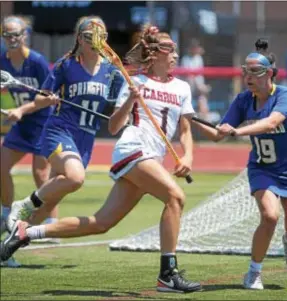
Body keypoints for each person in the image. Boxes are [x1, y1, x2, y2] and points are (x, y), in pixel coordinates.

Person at [1, 24, 202, 294]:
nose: (176, 55)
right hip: (133, 150)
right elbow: (115, 127)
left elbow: (187, 130)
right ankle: (168, 274)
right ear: (155, 55)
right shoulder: (134, 82)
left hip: (153, 157)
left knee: (101, 223)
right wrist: (130, 100)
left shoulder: (182, 88)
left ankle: (27, 233)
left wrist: (188, 154)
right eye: (171, 50)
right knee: (175, 197)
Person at [193, 38, 287, 290]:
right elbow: (217, 135)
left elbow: (270, 123)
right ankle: (254, 273)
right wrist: (189, 117)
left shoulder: (286, 96)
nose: (248, 76)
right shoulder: (243, 100)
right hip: (262, 169)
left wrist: (238, 131)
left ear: (269, 73)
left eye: (255, 71)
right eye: (245, 71)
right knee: (269, 215)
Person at [3, 15, 123, 236]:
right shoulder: (66, 65)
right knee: (74, 178)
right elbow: (41, 99)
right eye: (89, 36)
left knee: (48, 203)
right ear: (80, 39)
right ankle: (22, 205)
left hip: (85, 140)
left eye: (101, 36)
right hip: (60, 131)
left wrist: (132, 103)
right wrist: (48, 99)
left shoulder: (113, 73)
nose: (95, 41)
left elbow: (116, 123)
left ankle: (10, 241)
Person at [0, 15, 57, 267]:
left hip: (43, 122)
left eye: (15, 35)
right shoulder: (3, 60)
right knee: (1, 167)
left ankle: (51, 222)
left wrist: (21, 111)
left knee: (41, 175)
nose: (11, 40)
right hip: (23, 124)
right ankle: (5, 213)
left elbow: (47, 97)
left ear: (25, 35)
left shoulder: (37, 62)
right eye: (7, 35)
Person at [180, 39, 213, 122]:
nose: (197, 49)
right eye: (195, 47)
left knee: (202, 100)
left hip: (198, 89)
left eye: (197, 47)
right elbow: (191, 76)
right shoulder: (185, 59)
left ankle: (205, 121)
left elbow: (199, 76)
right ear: (191, 48)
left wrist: (202, 87)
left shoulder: (199, 58)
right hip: (188, 89)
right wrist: (201, 87)